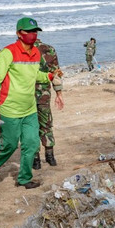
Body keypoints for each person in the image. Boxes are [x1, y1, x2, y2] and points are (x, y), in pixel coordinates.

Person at [0, 17, 63, 192]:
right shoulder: (8, 52)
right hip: (10, 109)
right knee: (8, 145)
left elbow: (35, 76)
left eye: (35, 32)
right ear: (19, 33)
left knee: (31, 143)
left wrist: (49, 76)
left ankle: (25, 178)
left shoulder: (36, 53)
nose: (33, 35)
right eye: (29, 32)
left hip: (30, 109)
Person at [32, 38, 65, 170]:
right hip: (44, 94)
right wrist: (59, 93)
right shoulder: (48, 49)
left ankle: (35, 160)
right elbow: (56, 73)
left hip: (25, 96)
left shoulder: (21, 50)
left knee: (30, 127)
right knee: (46, 124)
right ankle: (50, 156)